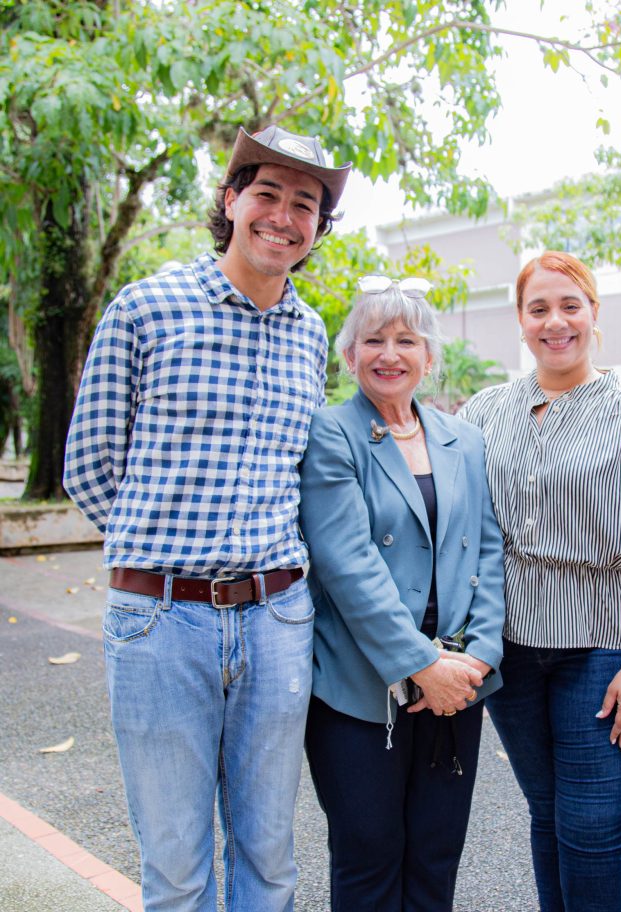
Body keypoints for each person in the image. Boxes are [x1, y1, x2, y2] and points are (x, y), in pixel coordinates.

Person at [63, 126, 350, 911]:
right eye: (267, 195)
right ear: (231, 200)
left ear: (318, 230)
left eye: (305, 206)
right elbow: (89, 469)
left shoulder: (311, 333)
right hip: (160, 621)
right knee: (178, 867)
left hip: (277, 618)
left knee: (269, 856)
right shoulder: (147, 307)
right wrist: (159, 552)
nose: (283, 217)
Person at [460, 251, 621, 912]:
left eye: (571, 305)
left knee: (592, 826)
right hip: (508, 651)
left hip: (599, 648)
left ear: (594, 315)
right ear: (520, 320)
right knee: (547, 812)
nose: (555, 321)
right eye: (539, 308)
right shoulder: (484, 413)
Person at [298, 277, 505, 912]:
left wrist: (478, 657)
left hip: (455, 684)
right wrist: (421, 664)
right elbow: (347, 565)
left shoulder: (462, 438)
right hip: (361, 686)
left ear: (429, 356)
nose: (390, 354)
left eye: (406, 340)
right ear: (349, 355)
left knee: (437, 854)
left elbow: (488, 548)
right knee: (369, 854)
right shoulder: (332, 433)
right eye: (374, 340)